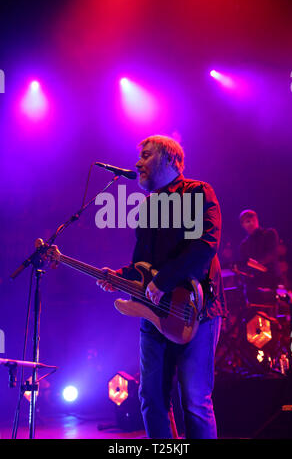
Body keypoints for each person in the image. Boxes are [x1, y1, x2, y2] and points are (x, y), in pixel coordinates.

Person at [97, 135, 227, 439]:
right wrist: (118, 275)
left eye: (146, 155)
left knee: (194, 401)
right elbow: (142, 265)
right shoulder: (147, 207)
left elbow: (206, 244)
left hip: (197, 310)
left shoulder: (197, 191)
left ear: (171, 160)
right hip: (155, 313)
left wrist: (162, 281)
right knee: (151, 398)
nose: (137, 162)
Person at [238, 209, 281, 306]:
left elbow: (272, 254)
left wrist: (256, 264)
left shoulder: (269, 233)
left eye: (253, 220)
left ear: (257, 220)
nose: (251, 223)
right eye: (247, 221)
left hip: (271, 281)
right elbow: (243, 265)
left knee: (271, 312)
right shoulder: (244, 245)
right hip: (254, 284)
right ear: (243, 225)